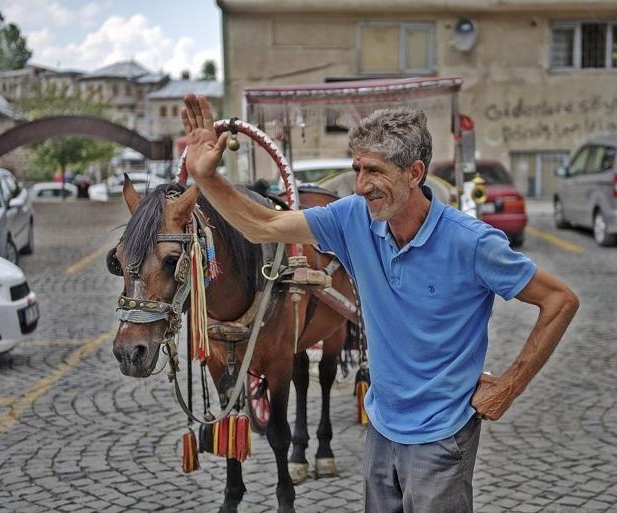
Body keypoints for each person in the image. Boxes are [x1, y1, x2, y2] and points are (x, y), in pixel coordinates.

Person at [180, 94, 579, 513]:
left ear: (415, 173)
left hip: (442, 434)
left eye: (374, 171)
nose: (361, 185)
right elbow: (264, 225)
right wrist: (207, 177)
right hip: (382, 428)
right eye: (356, 169)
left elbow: (560, 300)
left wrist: (509, 387)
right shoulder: (353, 218)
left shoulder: (471, 242)